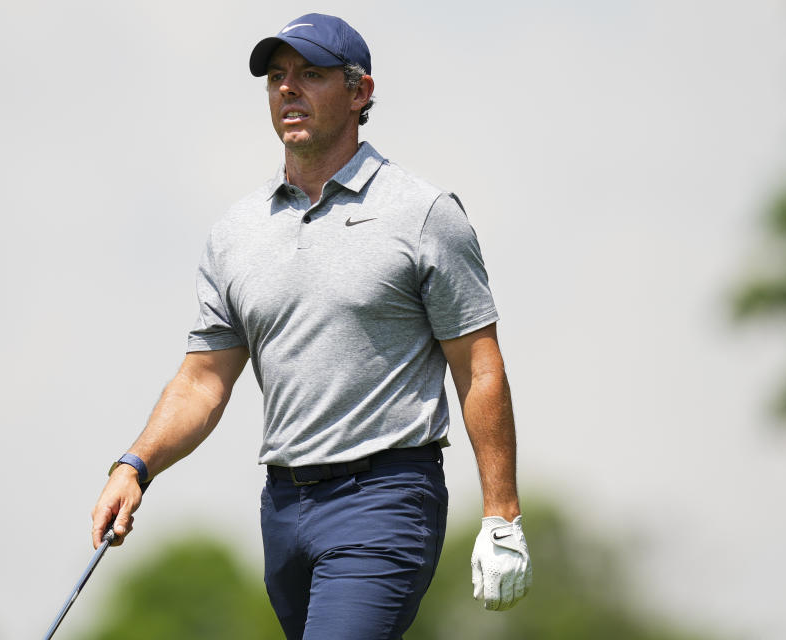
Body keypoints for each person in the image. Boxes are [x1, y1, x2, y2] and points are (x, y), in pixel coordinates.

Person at [90, 13, 531, 639]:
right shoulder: (236, 234)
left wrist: (501, 515)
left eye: (311, 75)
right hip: (283, 510)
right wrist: (135, 465)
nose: (288, 90)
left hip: (384, 498)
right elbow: (202, 382)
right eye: (277, 77)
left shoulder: (423, 214)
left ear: (360, 92)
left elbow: (479, 366)